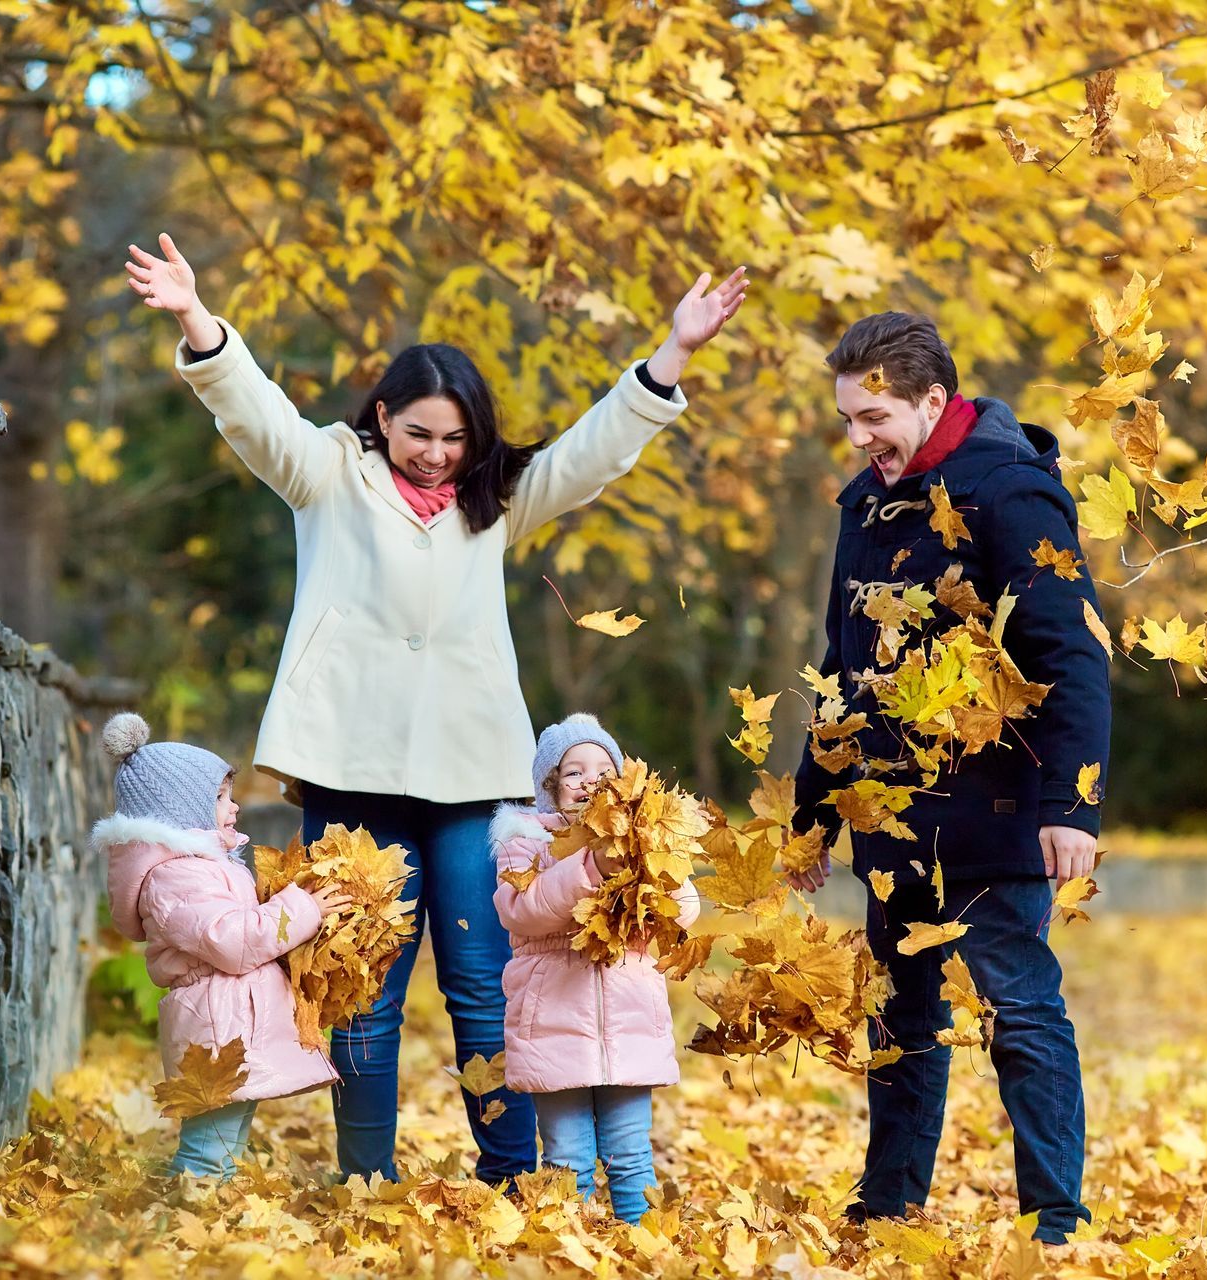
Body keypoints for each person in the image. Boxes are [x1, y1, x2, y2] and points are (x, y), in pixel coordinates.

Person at [124, 234, 744, 1183]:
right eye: (419, 434)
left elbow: (588, 457)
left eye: (456, 439)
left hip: (471, 775)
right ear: (383, 417)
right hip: (350, 767)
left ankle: (510, 1176)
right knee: (361, 989)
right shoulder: (327, 473)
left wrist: (673, 355)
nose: (437, 455)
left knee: (486, 982)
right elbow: (254, 417)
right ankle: (366, 1178)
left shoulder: (492, 500)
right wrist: (195, 319)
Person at [789, 312, 1110, 1243]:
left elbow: (1072, 657)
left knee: (1017, 1012)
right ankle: (887, 1204)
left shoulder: (1011, 496)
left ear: (934, 401)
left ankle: (1056, 1217)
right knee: (901, 1020)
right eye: (848, 417)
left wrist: (1072, 803)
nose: (859, 437)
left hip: (999, 808)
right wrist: (815, 810)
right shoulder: (865, 504)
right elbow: (841, 668)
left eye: (874, 415)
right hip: (892, 815)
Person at [91, 712, 353, 1178]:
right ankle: (180, 1229)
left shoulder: (202, 867)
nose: (234, 808)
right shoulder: (175, 877)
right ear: (179, 810)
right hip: (215, 1029)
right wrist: (304, 910)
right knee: (206, 1153)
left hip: (228, 1023)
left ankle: (204, 1224)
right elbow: (232, 940)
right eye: (219, 798)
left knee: (223, 1145)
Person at [486, 713, 701, 1222]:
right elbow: (522, 909)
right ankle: (568, 1248)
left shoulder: (642, 839)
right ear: (550, 787)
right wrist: (591, 867)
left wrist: (655, 866)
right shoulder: (525, 842)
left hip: (628, 1025)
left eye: (602, 769)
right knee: (566, 1160)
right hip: (553, 1026)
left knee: (632, 1157)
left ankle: (642, 1243)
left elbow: (684, 910)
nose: (589, 782)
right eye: (573, 772)